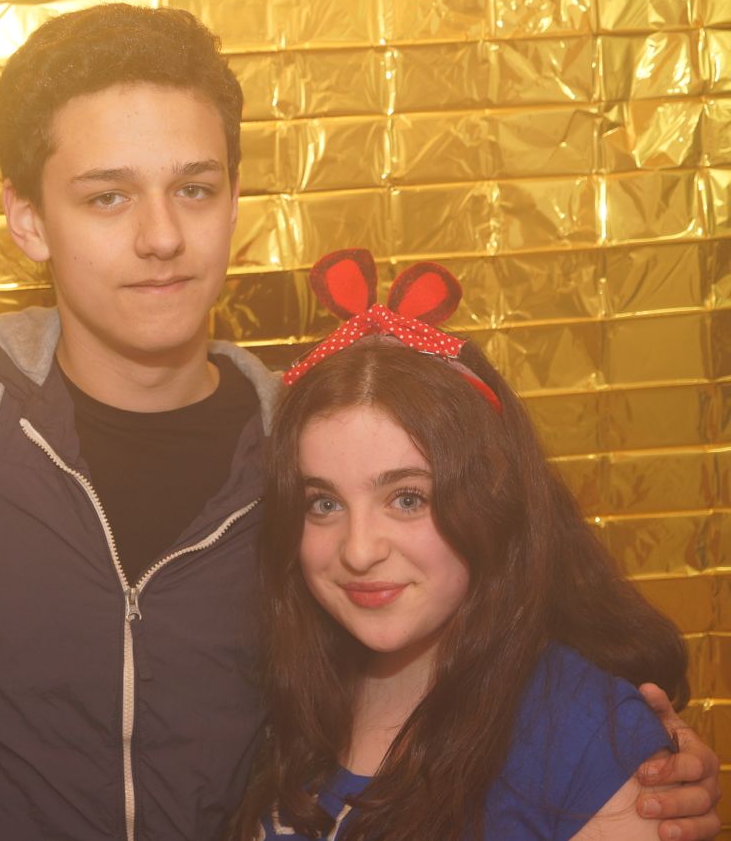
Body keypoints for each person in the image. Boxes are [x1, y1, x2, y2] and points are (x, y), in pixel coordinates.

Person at [0, 5, 721, 841]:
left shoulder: (307, 443)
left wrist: (632, 743)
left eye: (192, 188)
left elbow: (497, 575)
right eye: (106, 197)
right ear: (26, 219)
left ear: (234, 202)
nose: (159, 237)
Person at [228, 249, 691, 840]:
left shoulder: (587, 735)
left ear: (491, 498)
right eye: (324, 504)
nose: (359, 551)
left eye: (408, 499)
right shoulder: (277, 697)